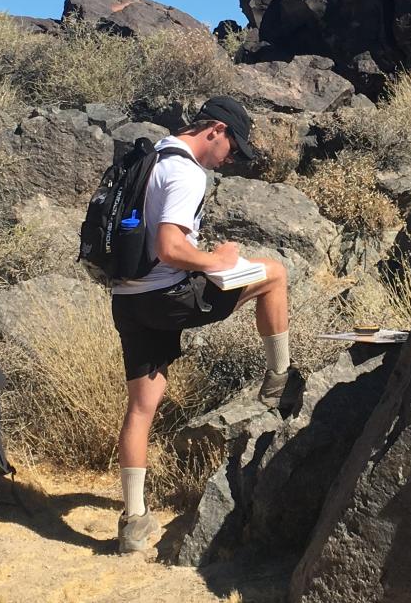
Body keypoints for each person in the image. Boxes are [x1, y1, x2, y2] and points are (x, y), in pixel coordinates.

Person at [109, 96, 298, 554]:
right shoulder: (189, 171)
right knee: (274, 275)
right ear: (214, 129)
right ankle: (280, 382)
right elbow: (171, 246)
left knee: (141, 407)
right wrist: (215, 259)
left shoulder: (152, 154)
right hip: (167, 297)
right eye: (232, 147)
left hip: (128, 299)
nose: (231, 158)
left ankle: (133, 523)